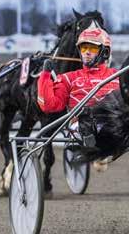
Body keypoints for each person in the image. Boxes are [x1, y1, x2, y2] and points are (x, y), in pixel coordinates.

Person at [38, 25, 119, 167]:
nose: (87, 52)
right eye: (83, 48)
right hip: (83, 126)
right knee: (86, 116)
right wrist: (45, 76)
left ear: (104, 52)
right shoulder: (69, 78)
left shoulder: (117, 75)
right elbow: (50, 105)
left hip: (118, 123)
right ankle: (94, 148)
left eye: (92, 48)